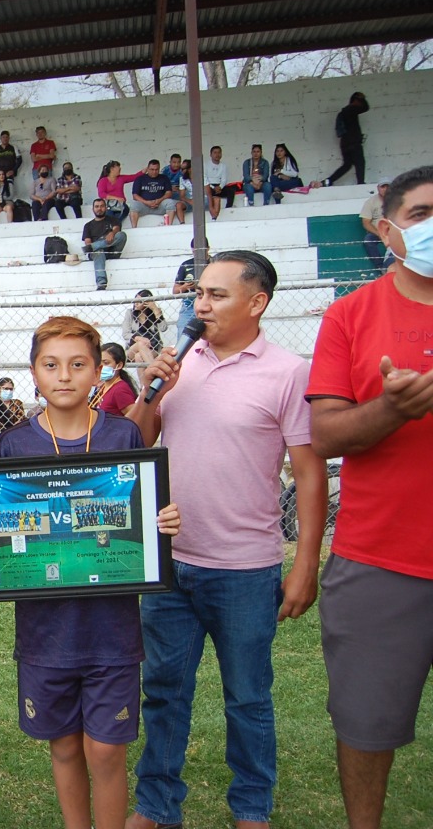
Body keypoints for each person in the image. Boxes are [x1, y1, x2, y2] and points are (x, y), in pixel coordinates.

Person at [0, 316, 180, 829]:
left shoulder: (123, 435)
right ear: (33, 373)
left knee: (107, 753)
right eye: (51, 365)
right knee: (65, 748)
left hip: (112, 635)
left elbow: (142, 512)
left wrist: (163, 520)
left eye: (78, 365)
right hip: (45, 636)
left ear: (99, 373)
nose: (64, 376)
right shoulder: (14, 447)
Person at [125, 250, 326, 829]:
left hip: (246, 568)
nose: (200, 305)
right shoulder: (178, 363)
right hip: (171, 565)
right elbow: (136, 446)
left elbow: (309, 473)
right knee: (163, 692)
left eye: (216, 295)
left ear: (257, 302)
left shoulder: (288, 372)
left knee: (247, 698)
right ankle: (156, 805)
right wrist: (151, 391)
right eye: (198, 294)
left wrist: (305, 564)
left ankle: (252, 807)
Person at [307, 165, 433, 829]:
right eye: (422, 213)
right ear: (388, 229)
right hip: (382, 561)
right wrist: (392, 410)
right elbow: (325, 432)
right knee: (366, 723)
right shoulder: (350, 314)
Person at [319, 91, 369, 187]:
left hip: (345, 143)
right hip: (354, 142)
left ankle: (329, 181)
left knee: (347, 165)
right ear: (355, 101)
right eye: (359, 101)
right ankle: (361, 183)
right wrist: (362, 98)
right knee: (360, 162)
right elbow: (366, 108)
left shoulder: (344, 112)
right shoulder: (352, 109)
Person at [81, 199, 127, 291]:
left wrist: (112, 233)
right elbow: (87, 242)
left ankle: (96, 245)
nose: (99, 209)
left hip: (112, 251)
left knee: (122, 235)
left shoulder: (113, 220)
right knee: (98, 251)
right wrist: (95, 246)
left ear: (106, 208)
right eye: (97, 206)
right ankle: (101, 283)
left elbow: (117, 229)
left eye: (102, 206)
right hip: (97, 253)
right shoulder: (88, 225)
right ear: (93, 209)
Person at [90, 342, 137, 415]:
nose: (101, 367)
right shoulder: (103, 386)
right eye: (99, 363)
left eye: (106, 363)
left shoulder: (120, 389)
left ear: (119, 365)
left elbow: (135, 417)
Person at [122, 289, 165, 365]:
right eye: (135, 301)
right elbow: (125, 334)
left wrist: (155, 310)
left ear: (147, 302)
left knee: (139, 356)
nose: (136, 304)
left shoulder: (155, 312)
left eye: (140, 301)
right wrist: (139, 338)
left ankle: (149, 373)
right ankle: (154, 368)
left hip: (152, 348)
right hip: (133, 348)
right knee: (140, 344)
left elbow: (163, 328)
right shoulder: (130, 313)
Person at [130, 160, 177, 227]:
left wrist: (159, 200)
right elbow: (135, 195)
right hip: (144, 205)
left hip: (160, 205)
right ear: (148, 169)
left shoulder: (164, 178)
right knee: (134, 205)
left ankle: (168, 226)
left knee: (170, 202)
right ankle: (134, 228)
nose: (154, 172)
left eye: (156, 169)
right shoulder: (140, 179)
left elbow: (169, 193)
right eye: (152, 169)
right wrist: (146, 202)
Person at [359, 177, 392, 272]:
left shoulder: (398, 200)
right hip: (377, 231)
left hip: (395, 229)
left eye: (388, 186)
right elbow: (366, 223)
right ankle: (381, 267)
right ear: (378, 188)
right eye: (383, 186)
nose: (385, 189)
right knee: (368, 241)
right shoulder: (370, 202)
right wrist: (380, 234)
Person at [174, 246, 206, 339]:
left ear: (207, 248)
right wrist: (185, 287)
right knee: (183, 334)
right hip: (189, 303)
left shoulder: (213, 263)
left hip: (208, 301)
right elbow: (175, 291)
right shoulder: (186, 265)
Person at [203, 145, 233, 221]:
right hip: (209, 186)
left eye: (219, 153)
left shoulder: (223, 166)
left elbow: (224, 179)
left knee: (231, 190)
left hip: (219, 187)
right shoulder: (206, 165)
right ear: (211, 154)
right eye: (215, 153)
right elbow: (205, 178)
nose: (217, 155)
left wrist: (220, 187)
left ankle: (228, 207)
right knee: (207, 190)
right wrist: (213, 187)